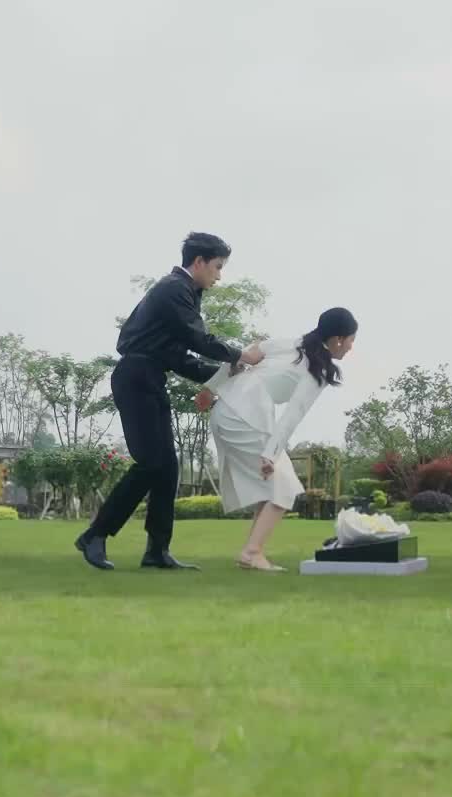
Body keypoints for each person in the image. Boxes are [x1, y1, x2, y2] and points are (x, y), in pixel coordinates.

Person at [74, 233, 265, 571]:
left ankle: (157, 551)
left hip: (149, 376)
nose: (219, 275)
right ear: (199, 262)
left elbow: (177, 357)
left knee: (167, 467)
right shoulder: (174, 289)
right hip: (136, 378)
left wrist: (224, 372)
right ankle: (95, 534)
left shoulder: (184, 292)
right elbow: (197, 338)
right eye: (218, 267)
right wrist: (240, 355)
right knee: (151, 463)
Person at [197, 307, 358, 571]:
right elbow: (292, 415)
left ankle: (251, 552)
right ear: (339, 339)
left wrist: (210, 387)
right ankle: (251, 553)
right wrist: (270, 454)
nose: (351, 347)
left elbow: (245, 355)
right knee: (284, 487)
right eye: (351, 340)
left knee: (273, 487)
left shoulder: (290, 344)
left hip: (226, 410)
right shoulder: (317, 370)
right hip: (245, 417)